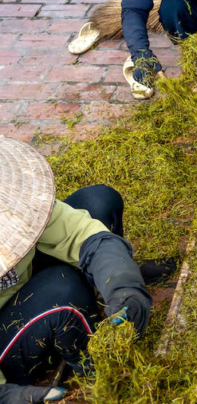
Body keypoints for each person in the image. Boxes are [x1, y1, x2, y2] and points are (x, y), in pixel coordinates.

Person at [0, 137, 152, 403]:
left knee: (99, 202)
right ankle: (104, 369)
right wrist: (7, 394)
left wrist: (124, 285)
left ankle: (112, 308)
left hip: (24, 281)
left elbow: (83, 234)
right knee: (63, 291)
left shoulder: (13, 204)